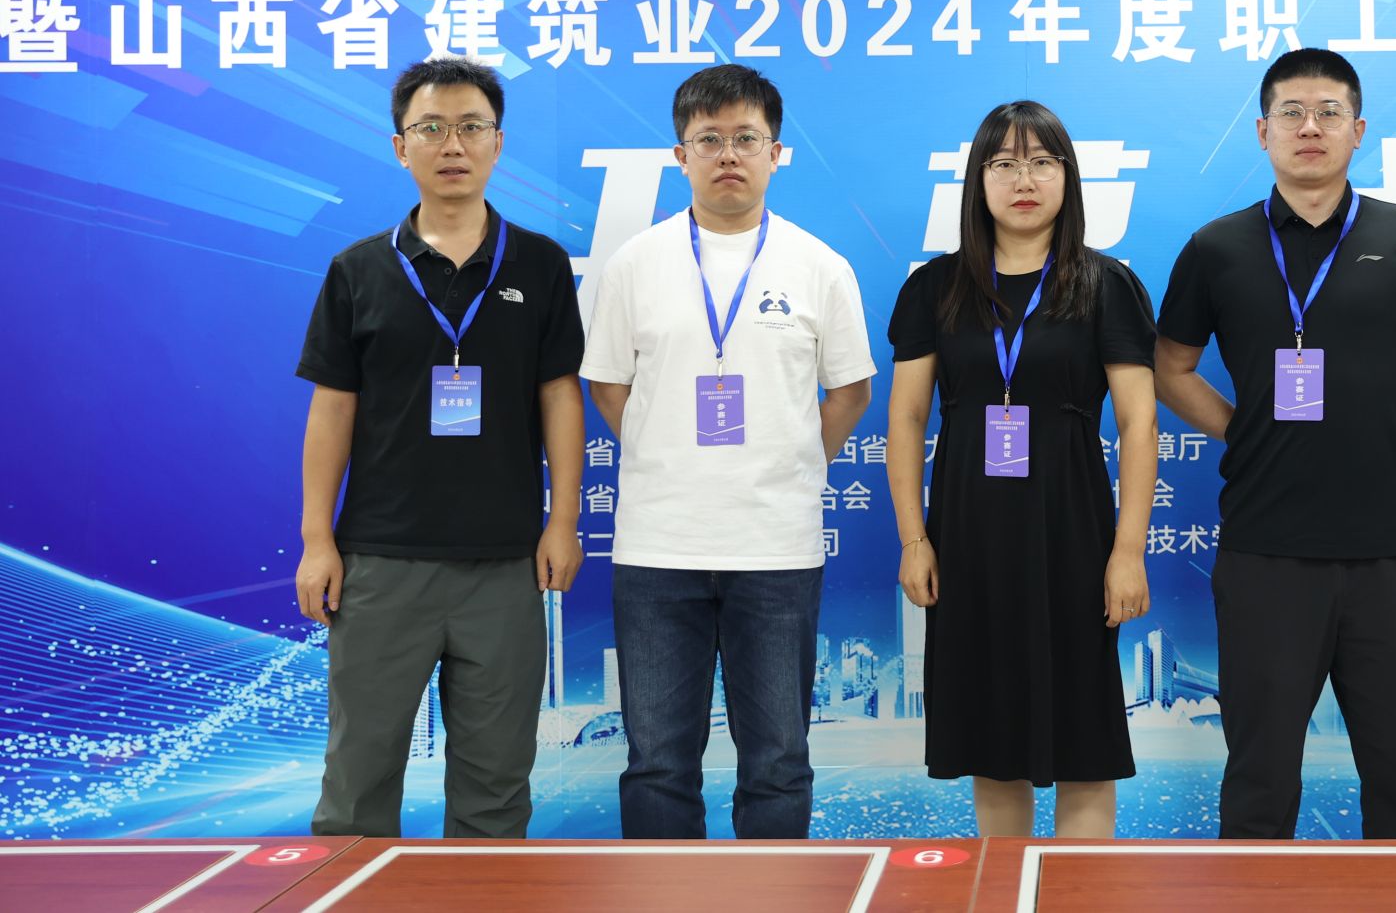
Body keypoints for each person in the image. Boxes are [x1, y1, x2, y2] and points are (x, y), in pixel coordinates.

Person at [1154, 47, 1396, 840]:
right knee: (1260, 777)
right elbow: (1170, 367)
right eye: (1291, 113)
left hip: (1390, 552)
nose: (1310, 127)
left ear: (1358, 130)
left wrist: (1386, 419)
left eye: (1330, 112)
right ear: (1262, 131)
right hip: (1266, 551)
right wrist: (1243, 428)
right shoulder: (1217, 246)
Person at [295, 56, 587, 839]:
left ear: (497, 143)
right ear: (401, 146)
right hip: (380, 562)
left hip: (505, 564)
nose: (452, 144)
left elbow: (560, 395)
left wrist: (562, 521)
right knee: (357, 785)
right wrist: (318, 539)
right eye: (431, 127)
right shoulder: (358, 270)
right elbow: (332, 408)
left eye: (470, 126)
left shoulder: (540, 264)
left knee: (495, 789)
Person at [581, 64, 875, 839]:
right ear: (680, 155)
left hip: (776, 548)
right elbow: (608, 384)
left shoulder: (820, 266)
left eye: (746, 138)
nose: (728, 155)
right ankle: (662, 894)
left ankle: (774, 894)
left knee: (777, 760)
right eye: (709, 139)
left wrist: (793, 463)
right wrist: (666, 453)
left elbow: (850, 390)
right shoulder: (635, 263)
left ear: (776, 152)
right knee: (657, 762)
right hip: (657, 547)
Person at [885, 100, 1158, 837]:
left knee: (1084, 742)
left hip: (1073, 530)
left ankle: (1079, 891)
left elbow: (1139, 423)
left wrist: (1128, 551)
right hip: (968, 534)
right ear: (978, 181)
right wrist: (914, 539)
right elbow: (906, 419)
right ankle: (1008, 888)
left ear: (1068, 177)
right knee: (992, 740)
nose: (1024, 179)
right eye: (1003, 164)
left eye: (1042, 162)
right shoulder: (935, 287)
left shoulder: (1105, 284)